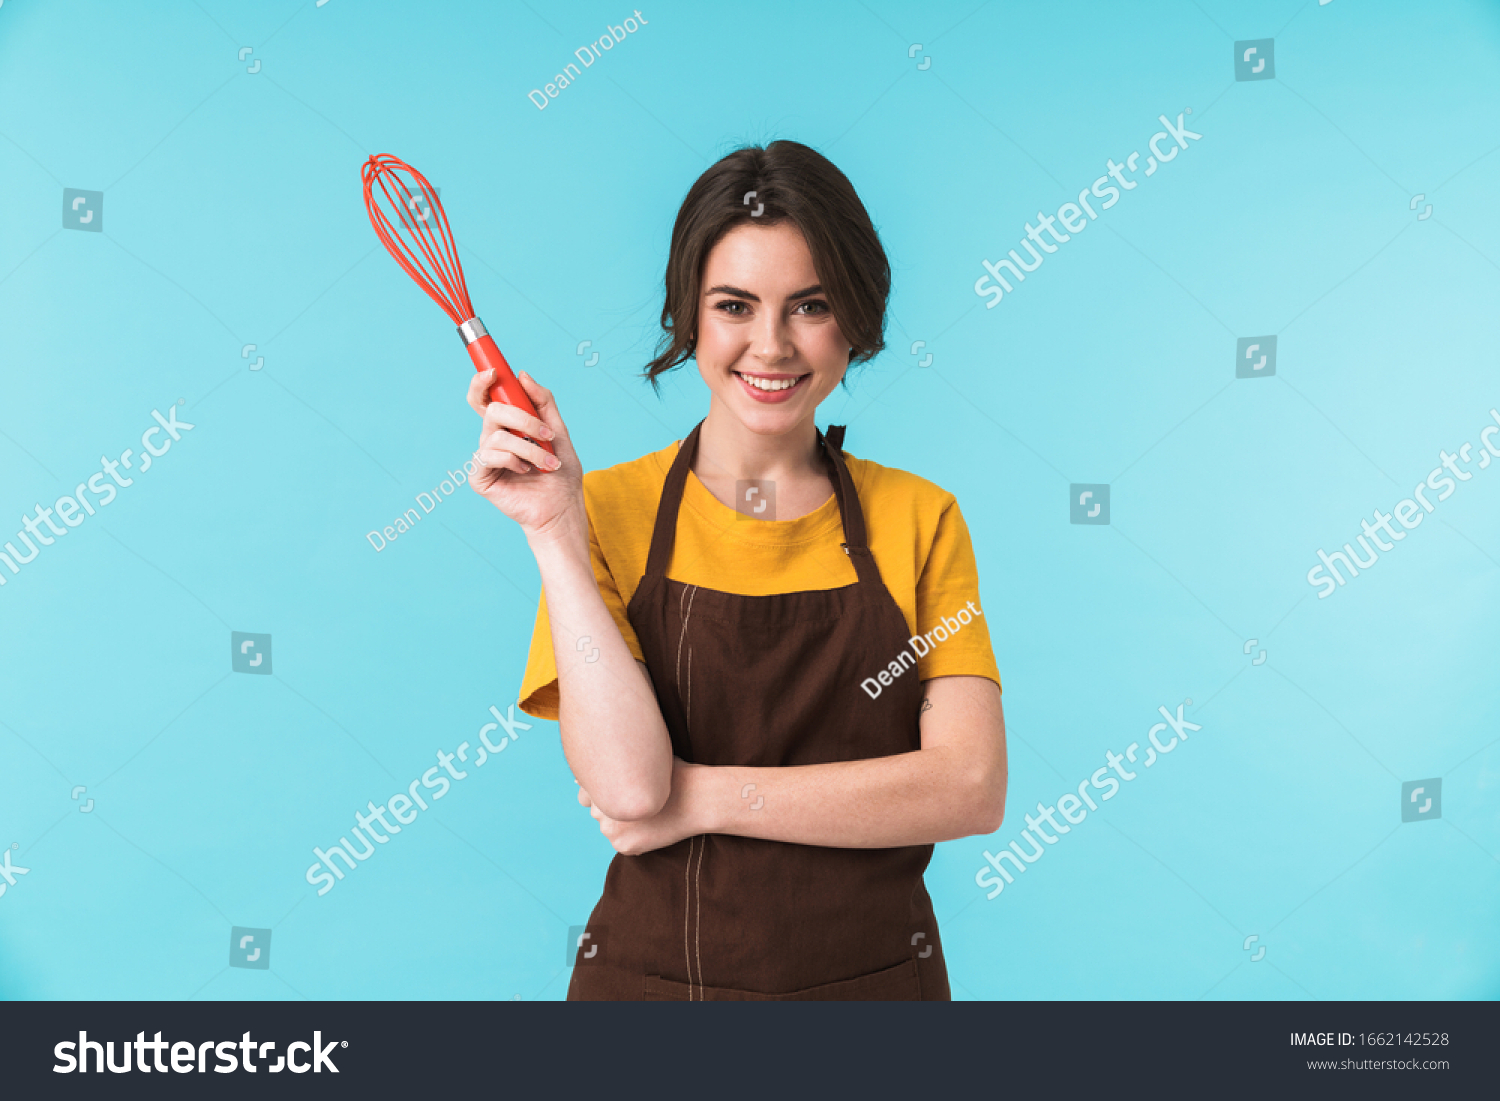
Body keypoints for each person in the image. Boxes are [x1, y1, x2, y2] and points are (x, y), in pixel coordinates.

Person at [466, 139, 1006, 1000]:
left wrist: (707, 800)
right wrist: (553, 529)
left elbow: (970, 786)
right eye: (734, 305)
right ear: (689, 317)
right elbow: (632, 787)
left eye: (810, 305)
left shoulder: (920, 518)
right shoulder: (605, 512)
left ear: (856, 320)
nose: (772, 345)